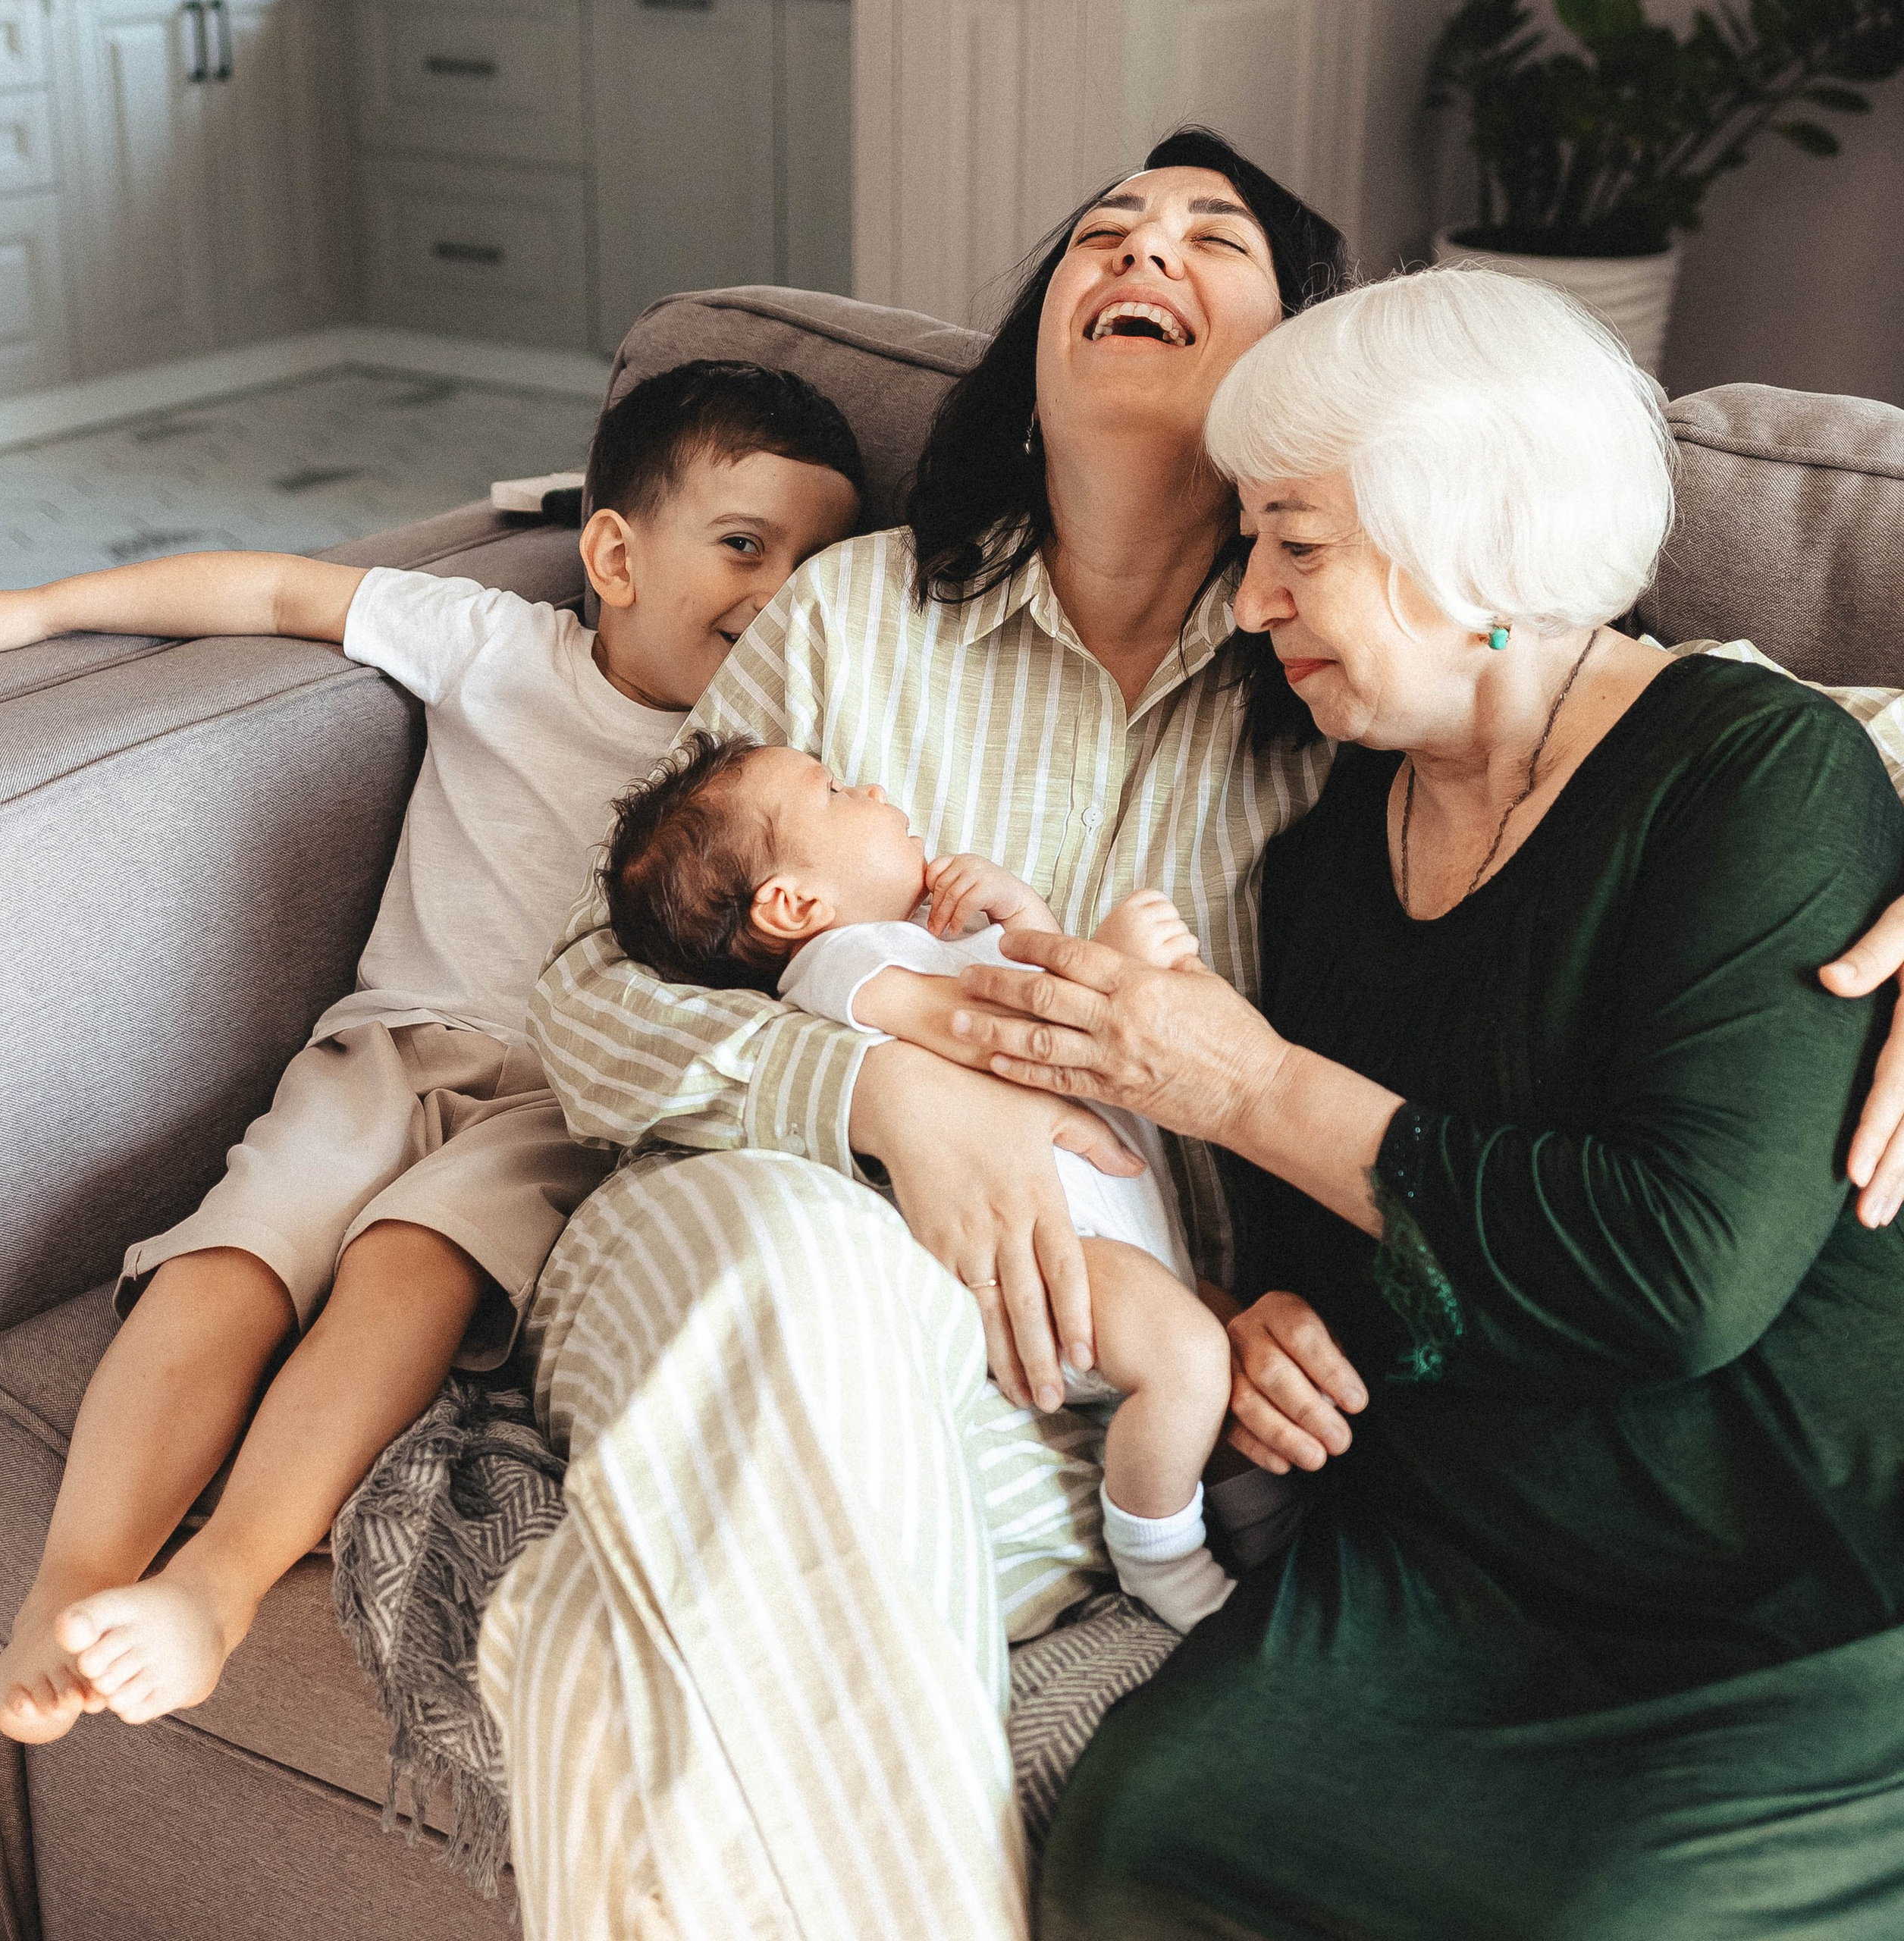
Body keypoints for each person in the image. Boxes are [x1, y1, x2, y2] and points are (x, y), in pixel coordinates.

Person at [478, 131, 1904, 1939]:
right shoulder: (926, 655)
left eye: (1290, 539)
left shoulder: (1537, 756)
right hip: (842, 1257)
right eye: (1101, 229)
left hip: (1672, 1536)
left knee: (633, 1628)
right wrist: (902, 1091)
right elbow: (596, 989)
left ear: (1436, 507)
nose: (1254, 594)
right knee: (1092, 1775)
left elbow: (1671, 1189)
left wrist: (1252, 1168)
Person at [940, 266, 1904, 1938]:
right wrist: (1258, 1328)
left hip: (1804, 1583)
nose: (1250, 603)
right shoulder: (1323, 861)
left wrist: (1244, 1081)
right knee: (1134, 1830)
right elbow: (1372, 1250)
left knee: (1615, 1911)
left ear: (1475, 542)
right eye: (1251, 545)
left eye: (1293, 546)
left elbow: (1676, 1273)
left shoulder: (1749, 772)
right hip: (1451, 1565)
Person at [0, 360, 864, 1745]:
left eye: (811, 561)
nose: (776, 589)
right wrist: (46, 603)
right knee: (235, 1254)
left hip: (560, 1107)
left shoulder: (780, 769)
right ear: (615, 555)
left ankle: (218, 1584)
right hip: (381, 1053)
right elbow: (275, 591)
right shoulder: (501, 647)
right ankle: (72, 1583)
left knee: (410, 1264)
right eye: (744, 543)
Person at [596, 726, 1266, 1631]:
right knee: (1187, 1360)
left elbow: (995, 994)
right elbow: (994, 1031)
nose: (872, 789)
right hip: (1063, 1250)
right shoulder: (845, 963)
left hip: (1123, 1239)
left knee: (1240, 1364)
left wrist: (1019, 915)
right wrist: (1112, 964)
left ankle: (1274, 1550)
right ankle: (1161, 1557)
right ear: (793, 905)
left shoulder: (915, 947)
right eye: (834, 793)